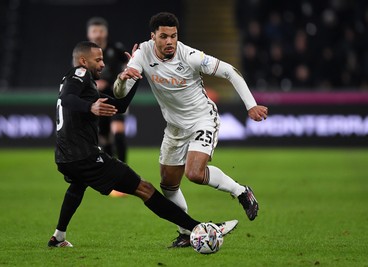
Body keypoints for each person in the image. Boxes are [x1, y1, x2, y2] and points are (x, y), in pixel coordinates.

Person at [47, 41, 238, 248]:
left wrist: (136, 72)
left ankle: (58, 236)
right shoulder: (80, 73)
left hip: (66, 158)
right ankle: (199, 228)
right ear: (84, 61)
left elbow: (120, 106)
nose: (102, 64)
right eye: (98, 59)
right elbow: (67, 98)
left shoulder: (80, 85)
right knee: (144, 188)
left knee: (77, 186)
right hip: (85, 156)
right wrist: (90, 107)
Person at [113, 12, 268, 248]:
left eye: (173, 36)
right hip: (175, 127)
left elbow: (229, 71)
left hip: (202, 119)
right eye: (163, 36)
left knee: (194, 173)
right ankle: (186, 231)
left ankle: (241, 192)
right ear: (152, 36)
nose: (169, 42)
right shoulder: (142, 53)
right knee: (168, 184)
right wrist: (124, 78)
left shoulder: (190, 56)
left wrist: (251, 105)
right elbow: (120, 93)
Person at [86, 17, 129, 163]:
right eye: (94, 31)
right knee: (104, 137)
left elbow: (129, 67)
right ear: (89, 34)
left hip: (116, 97)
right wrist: (94, 84)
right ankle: (112, 170)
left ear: (106, 32)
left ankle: (125, 168)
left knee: (118, 131)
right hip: (97, 99)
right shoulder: (84, 54)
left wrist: (114, 81)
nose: (98, 34)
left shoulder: (116, 49)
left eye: (101, 31)